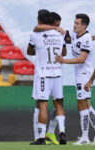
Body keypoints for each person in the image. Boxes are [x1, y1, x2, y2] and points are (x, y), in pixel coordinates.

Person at [56, 14, 95, 145]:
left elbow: (81, 59)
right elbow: (62, 31)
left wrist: (63, 60)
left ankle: (85, 138)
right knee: (87, 105)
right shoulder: (76, 34)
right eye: (74, 22)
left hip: (84, 75)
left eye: (77, 23)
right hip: (79, 75)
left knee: (82, 105)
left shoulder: (86, 39)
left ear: (84, 26)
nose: (74, 25)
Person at [27, 9, 66, 145]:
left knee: (42, 105)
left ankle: (41, 138)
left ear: (40, 21)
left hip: (43, 75)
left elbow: (29, 51)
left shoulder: (35, 35)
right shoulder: (60, 34)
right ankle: (62, 132)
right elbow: (64, 52)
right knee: (59, 104)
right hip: (57, 74)